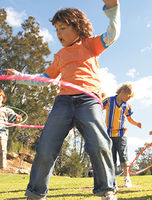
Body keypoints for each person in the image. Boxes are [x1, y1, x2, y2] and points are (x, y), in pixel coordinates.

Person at [6, 0, 120, 199]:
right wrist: (19, 76)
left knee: (99, 144)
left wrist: (112, 11)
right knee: (46, 147)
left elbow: (112, 35)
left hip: (88, 100)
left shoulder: (90, 44)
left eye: (63, 28)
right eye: (56, 29)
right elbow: (44, 79)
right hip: (64, 102)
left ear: (77, 27)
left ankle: (106, 190)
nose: (58, 33)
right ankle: (35, 193)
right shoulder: (60, 55)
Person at [102, 83, 142, 188]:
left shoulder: (127, 105)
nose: (128, 99)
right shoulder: (109, 101)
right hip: (109, 134)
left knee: (123, 156)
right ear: (122, 92)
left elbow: (129, 119)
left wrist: (136, 123)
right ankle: (111, 180)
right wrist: (100, 97)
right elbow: (98, 107)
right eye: (128, 97)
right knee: (111, 158)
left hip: (121, 134)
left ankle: (127, 178)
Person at [0, 89, 22, 169]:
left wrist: (17, 117)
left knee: (2, 150)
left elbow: (14, 116)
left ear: (3, 99)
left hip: (2, 134)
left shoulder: (6, 110)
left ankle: (2, 168)